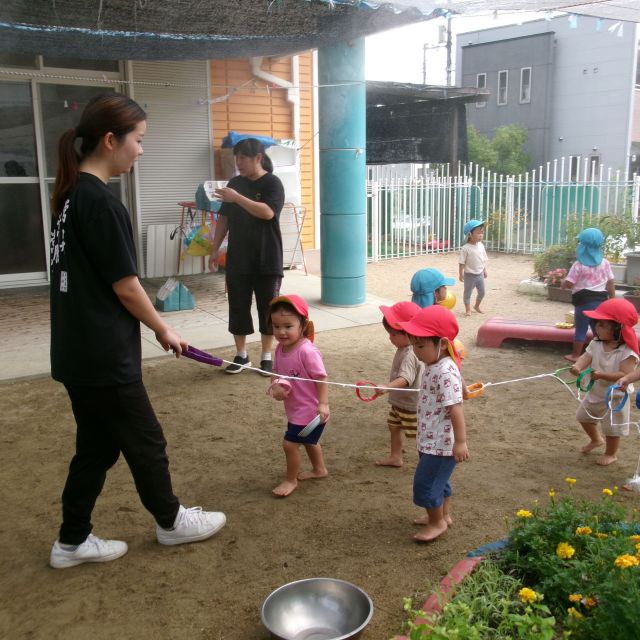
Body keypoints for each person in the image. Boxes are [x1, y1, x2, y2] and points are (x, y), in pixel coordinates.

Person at [48, 93, 225, 569]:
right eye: (139, 141)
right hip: (103, 356)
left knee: (97, 447)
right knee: (146, 441)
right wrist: (165, 329)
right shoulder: (100, 203)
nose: (141, 151)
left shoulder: (69, 198)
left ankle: (71, 542)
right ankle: (170, 522)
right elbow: (126, 287)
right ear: (111, 140)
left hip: (76, 352)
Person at [208, 138, 285, 376]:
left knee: (268, 309)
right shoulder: (234, 183)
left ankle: (266, 356)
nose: (238, 162)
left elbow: (267, 212)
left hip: (267, 258)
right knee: (238, 307)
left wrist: (237, 198)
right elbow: (224, 219)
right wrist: (215, 248)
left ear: (258, 158)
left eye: (243, 157)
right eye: (237, 157)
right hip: (238, 258)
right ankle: (241, 355)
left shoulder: (273, 183)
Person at [398, 305, 470, 543]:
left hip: (441, 443)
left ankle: (436, 522)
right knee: (440, 482)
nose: (416, 352)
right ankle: (443, 515)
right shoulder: (435, 364)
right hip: (430, 438)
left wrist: (460, 442)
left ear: (441, 343)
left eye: (420, 346)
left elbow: (456, 409)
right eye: (413, 344)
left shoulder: (444, 370)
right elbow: (456, 389)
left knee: (425, 485)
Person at [267, 294, 330, 497]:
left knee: (290, 444)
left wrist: (323, 404)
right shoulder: (279, 349)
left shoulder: (307, 352)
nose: (281, 332)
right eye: (276, 327)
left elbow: (322, 378)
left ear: (302, 325)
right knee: (308, 441)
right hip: (295, 409)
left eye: (288, 326)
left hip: (310, 412)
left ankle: (290, 480)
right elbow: (275, 374)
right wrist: (276, 386)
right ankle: (319, 470)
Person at [569, 298, 639, 466]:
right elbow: (586, 357)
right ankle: (596, 439)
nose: (597, 327)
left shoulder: (626, 351)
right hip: (597, 390)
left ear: (618, 328)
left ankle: (611, 453)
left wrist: (601, 374)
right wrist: (577, 367)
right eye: (597, 323)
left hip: (616, 396)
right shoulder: (596, 343)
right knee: (583, 417)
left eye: (602, 324)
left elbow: (625, 374)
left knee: (612, 429)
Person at [368, 301, 423, 463]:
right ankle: (395, 457)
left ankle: (427, 460)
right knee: (394, 426)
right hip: (399, 402)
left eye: (393, 334)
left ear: (409, 333)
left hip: (410, 404)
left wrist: (387, 387)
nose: (390, 338)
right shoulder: (404, 349)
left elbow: (406, 379)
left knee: (419, 435)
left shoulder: (410, 354)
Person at [561, 227, 615, 363]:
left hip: (583, 302)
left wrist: (563, 283)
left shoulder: (579, 265)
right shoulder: (605, 263)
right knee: (599, 329)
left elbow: (569, 283)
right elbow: (610, 284)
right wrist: (613, 301)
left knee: (581, 329)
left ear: (582, 246)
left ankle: (576, 355)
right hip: (601, 301)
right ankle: (603, 354)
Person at [458, 219, 488, 316]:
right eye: (478, 233)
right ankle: (468, 309)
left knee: (482, 292)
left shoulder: (481, 246)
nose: (481, 235)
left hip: (480, 274)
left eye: (482, 233)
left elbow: (483, 259)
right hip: (469, 275)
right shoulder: (465, 248)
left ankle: (476, 306)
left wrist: (485, 270)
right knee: (467, 293)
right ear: (470, 235)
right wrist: (460, 273)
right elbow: (461, 262)